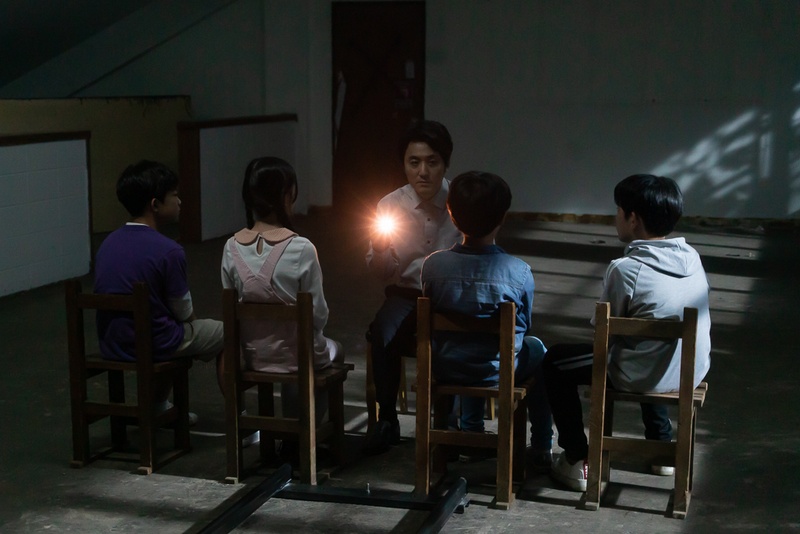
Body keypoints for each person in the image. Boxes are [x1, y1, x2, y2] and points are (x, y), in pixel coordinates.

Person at [544, 174, 712, 492]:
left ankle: (577, 456)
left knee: (554, 361)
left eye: (618, 210)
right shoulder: (691, 257)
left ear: (633, 219)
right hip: (689, 369)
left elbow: (604, 331)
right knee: (649, 340)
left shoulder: (626, 269)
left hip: (646, 373)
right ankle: (661, 447)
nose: (616, 217)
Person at [420, 171, 553, 466]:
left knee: (467, 345)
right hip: (496, 371)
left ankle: (468, 432)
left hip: (446, 366)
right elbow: (524, 325)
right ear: (502, 217)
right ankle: (542, 445)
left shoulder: (433, 266)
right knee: (537, 349)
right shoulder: (518, 272)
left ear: (451, 214)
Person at [220, 156, 344, 451]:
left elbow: (230, 310)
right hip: (296, 357)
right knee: (332, 350)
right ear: (287, 195)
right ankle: (299, 433)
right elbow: (318, 316)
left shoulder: (230, 247)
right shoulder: (301, 248)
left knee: (297, 351)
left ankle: (288, 434)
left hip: (252, 356)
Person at [94, 160, 224, 422]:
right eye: (175, 195)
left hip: (113, 343)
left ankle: (159, 405)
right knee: (227, 331)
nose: (180, 201)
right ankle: (240, 415)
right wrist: (196, 333)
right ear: (155, 204)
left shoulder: (108, 243)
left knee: (170, 327)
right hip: (155, 342)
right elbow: (183, 310)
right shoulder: (168, 250)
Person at [362, 120, 462, 455]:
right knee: (383, 331)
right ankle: (387, 420)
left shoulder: (461, 201)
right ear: (403, 164)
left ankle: (448, 424)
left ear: (445, 163)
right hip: (406, 292)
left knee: (454, 338)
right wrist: (379, 248)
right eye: (413, 162)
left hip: (450, 295)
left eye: (432, 162)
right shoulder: (390, 206)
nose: (423, 172)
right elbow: (383, 273)